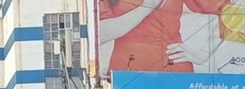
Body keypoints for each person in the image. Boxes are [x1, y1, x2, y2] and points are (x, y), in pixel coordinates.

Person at [98, 0, 233, 75]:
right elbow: (100, 33)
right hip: (126, 70)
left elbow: (232, 13)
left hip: (174, 69)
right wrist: (145, 8)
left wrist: (204, 53)